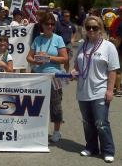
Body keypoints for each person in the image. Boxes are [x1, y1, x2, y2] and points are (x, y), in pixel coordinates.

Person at [71, 16, 118, 163]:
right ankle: (91, 147)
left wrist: (110, 91)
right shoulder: (82, 45)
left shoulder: (108, 46)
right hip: (83, 91)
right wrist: (73, 71)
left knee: (101, 123)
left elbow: (113, 71)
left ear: (101, 29)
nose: (91, 30)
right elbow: (77, 66)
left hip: (100, 90)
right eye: (89, 27)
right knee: (87, 122)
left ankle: (108, 150)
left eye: (95, 28)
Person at [26, 12, 68, 142]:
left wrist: (49, 58)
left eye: (52, 24)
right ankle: (39, 131)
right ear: (42, 25)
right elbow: (29, 57)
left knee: (55, 104)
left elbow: (65, 59)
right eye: (47, 24)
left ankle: (56, 131)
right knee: (37, 104)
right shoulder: (38, 39)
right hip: (38, 75)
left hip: (54, 75)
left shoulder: (58, 39)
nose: (50, 26)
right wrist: (35, 61)